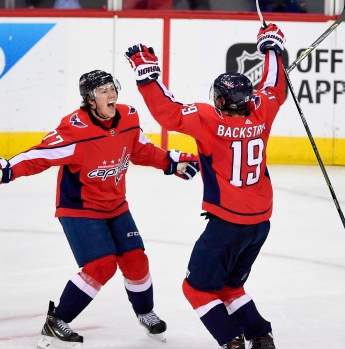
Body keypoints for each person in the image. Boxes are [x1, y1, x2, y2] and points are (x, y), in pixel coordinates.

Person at [0, 69, 199, 349]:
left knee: (136, 260)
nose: (111, 94)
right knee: (100, 266)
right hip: (79, 208)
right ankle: (57, 321)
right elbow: (40, 155)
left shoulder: (129, 116)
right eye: (102, 91)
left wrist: (170, 162)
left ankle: (145, 313)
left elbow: (140, 149)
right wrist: (5, 171)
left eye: (111, 87)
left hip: (115, 204)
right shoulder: (74, 128)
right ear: (90, 100)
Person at [124, 23, 286, 349]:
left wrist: (147, 74)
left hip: (227, 223)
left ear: (224, 102)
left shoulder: (209, 120)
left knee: (196, 288)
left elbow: (168, 113)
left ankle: (231, 341)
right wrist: (272, 48)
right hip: (260, 222)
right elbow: (275, 85)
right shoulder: (263, 110)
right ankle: (260, 336)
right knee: (229, 287)